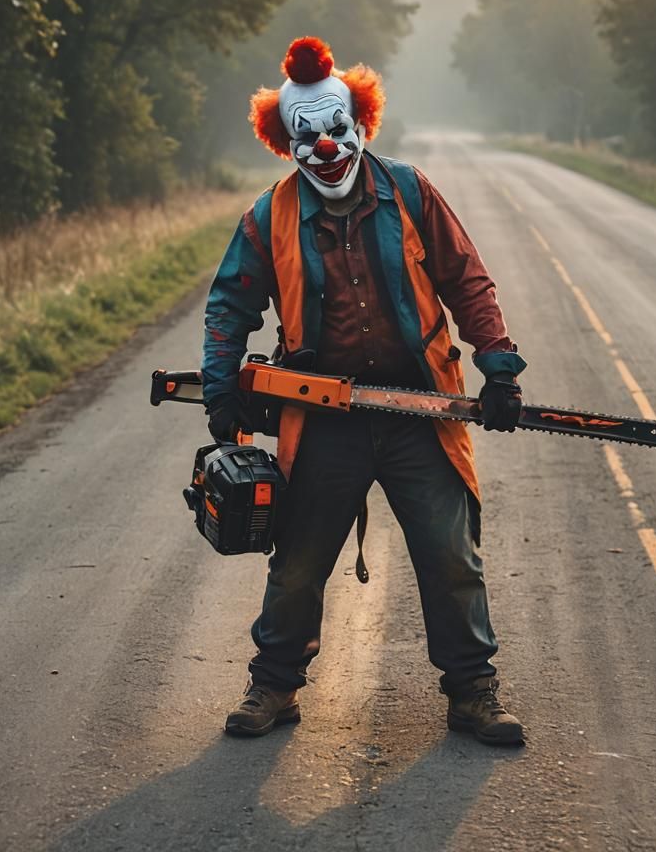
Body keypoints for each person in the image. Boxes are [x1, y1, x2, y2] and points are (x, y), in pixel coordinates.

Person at [201, 37, 527, 745]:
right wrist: (222, 387)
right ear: (286, 142)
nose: (324, 149)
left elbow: (467, 278)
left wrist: (497, 362)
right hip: (322, 417)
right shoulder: (270, 216)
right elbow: (229, 304)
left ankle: (473, 692)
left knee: (451, 555)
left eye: (335, 131)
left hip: (422, 411)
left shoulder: (410, 191)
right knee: (297, 561)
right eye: (306, 136)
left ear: (360, 123)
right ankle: (275, 687)